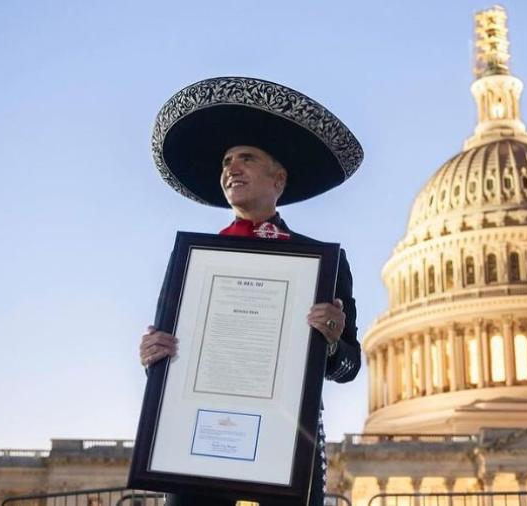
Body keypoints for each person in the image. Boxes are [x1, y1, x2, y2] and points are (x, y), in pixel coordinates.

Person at [138, 76, 364, 506]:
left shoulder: (322, 263)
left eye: (246, 158)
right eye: (225, 161)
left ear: (278, 178)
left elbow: (347, 367)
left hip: (288, 437)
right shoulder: (192, 262)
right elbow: (170, 361)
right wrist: (155, 353)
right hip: (199, 435)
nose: (231, 169)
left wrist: (333, 342)